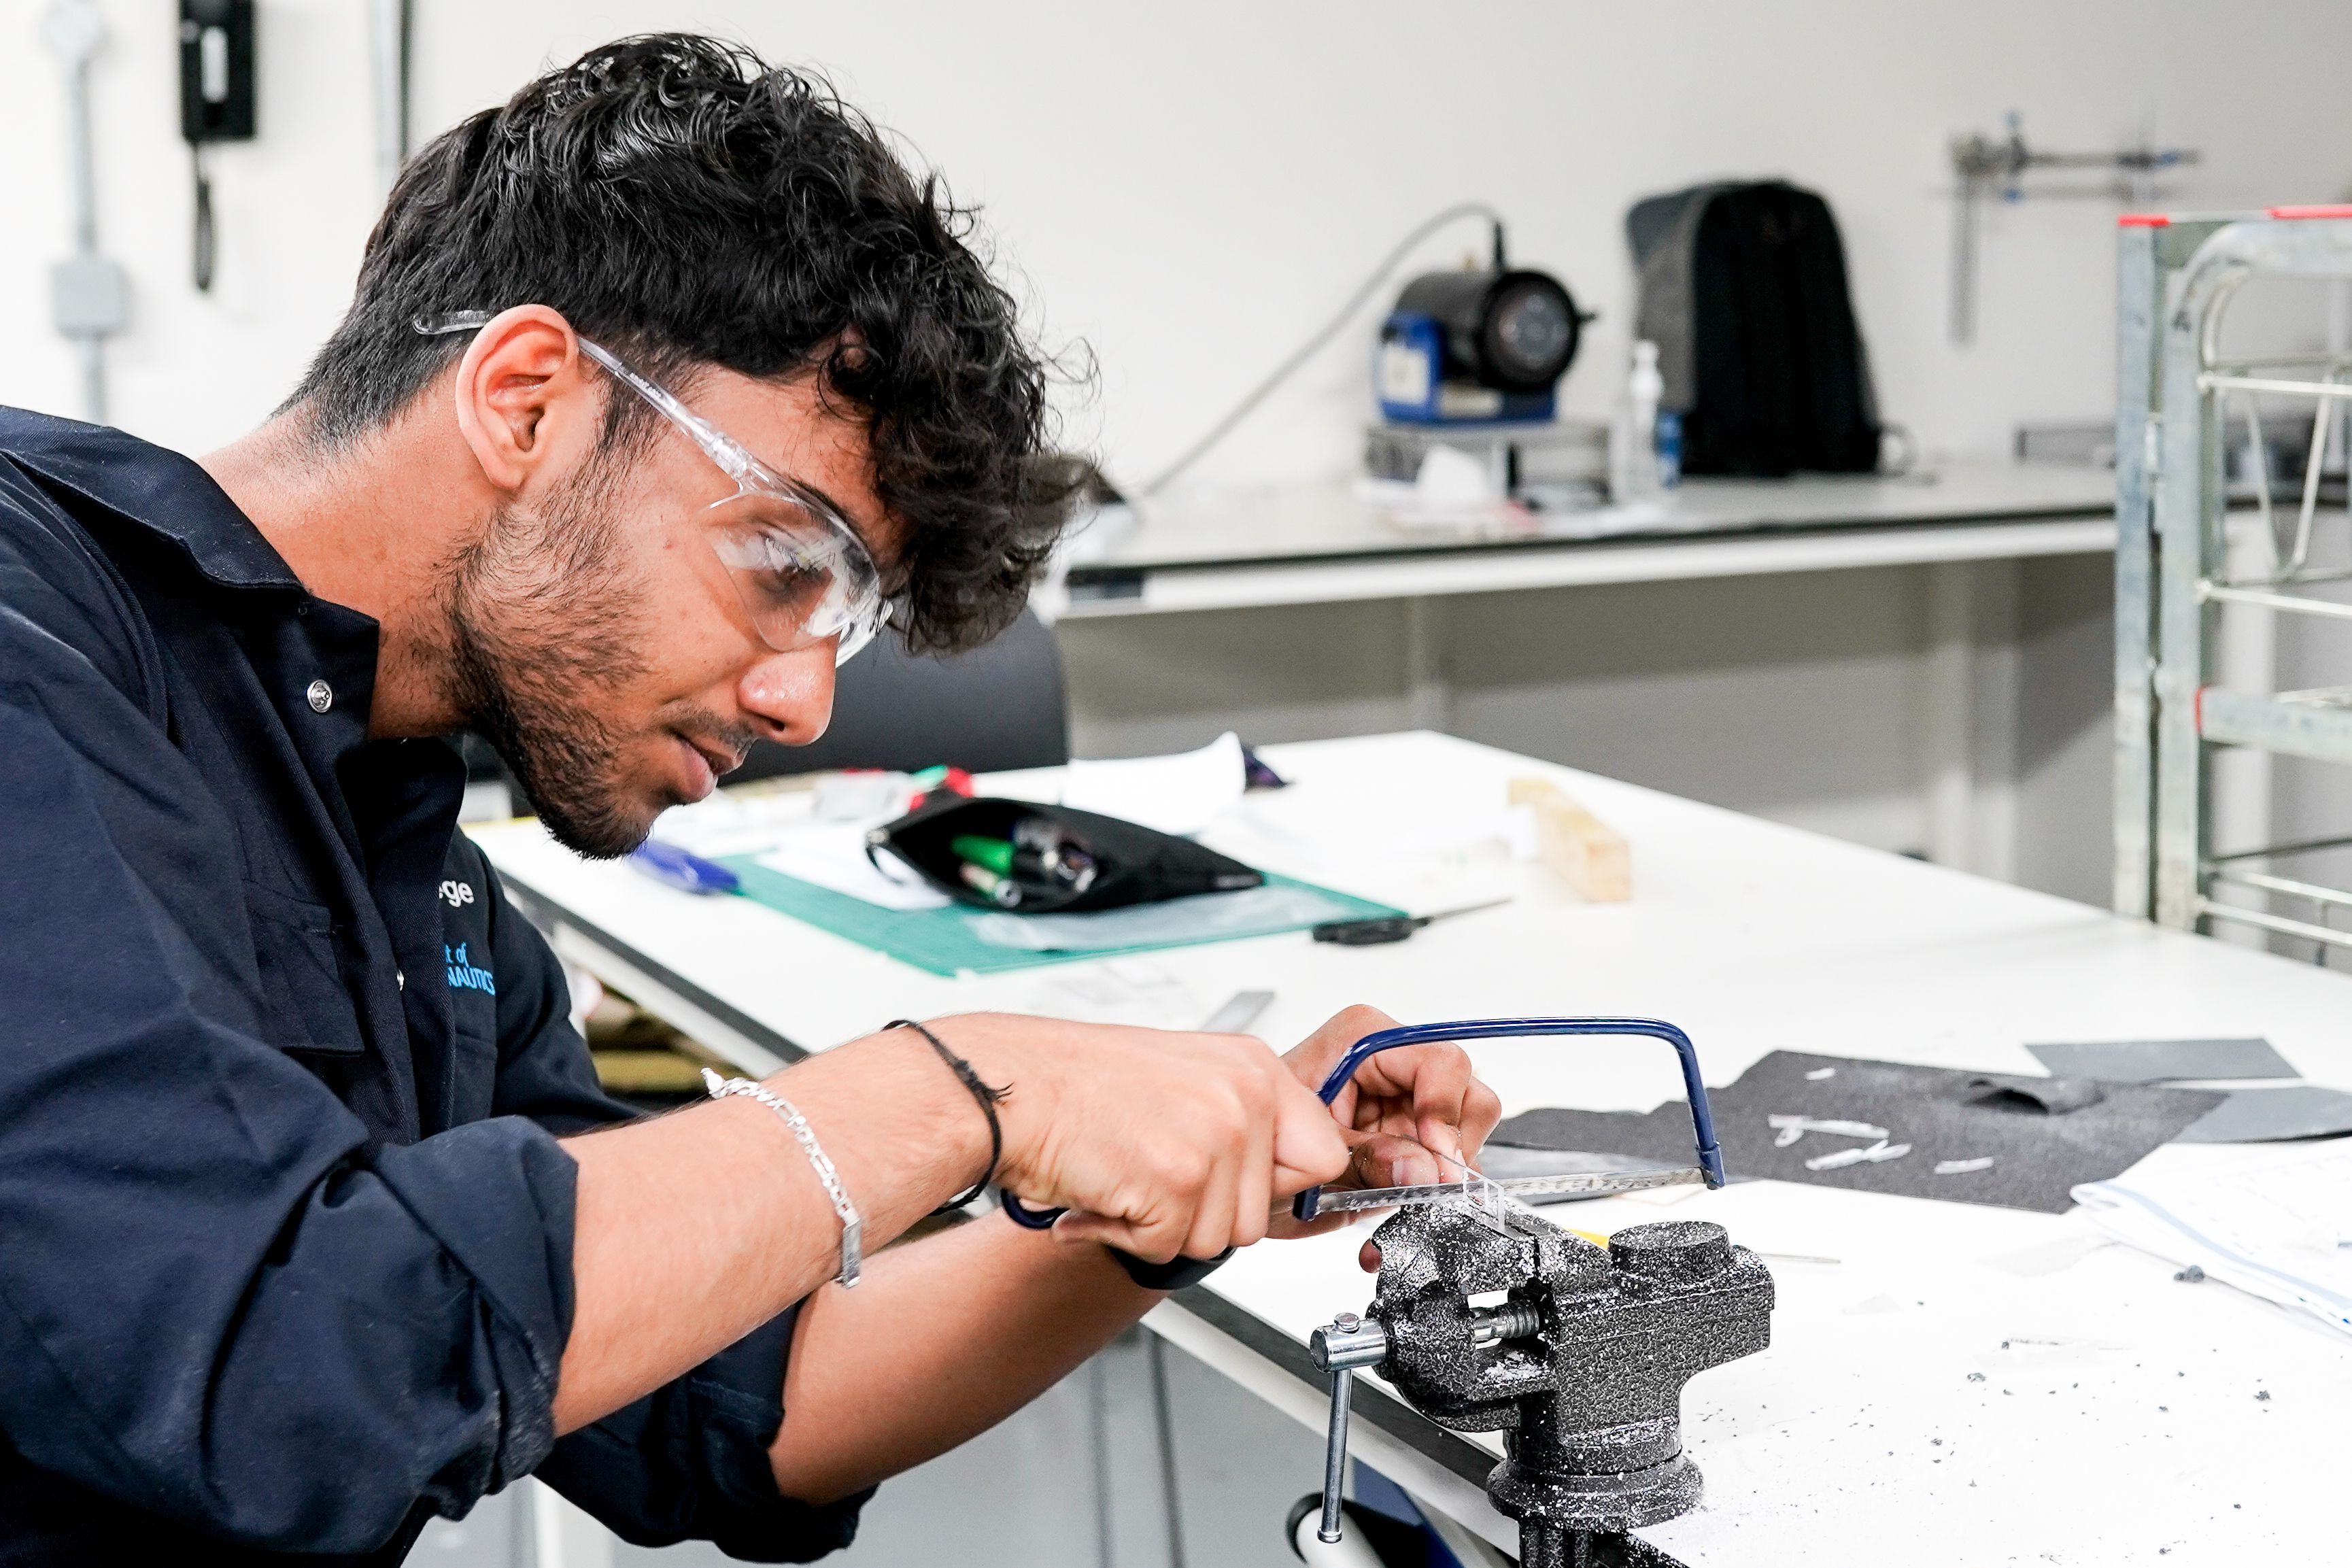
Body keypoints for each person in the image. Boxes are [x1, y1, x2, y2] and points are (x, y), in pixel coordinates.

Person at [0, 34, 1501, 1565]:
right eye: (788, 564)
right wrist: (965, 1088)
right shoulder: (28, 633)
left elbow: (735, 1403)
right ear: (528, 402)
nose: (802, 702)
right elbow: (277, 1362)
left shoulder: (414, 857)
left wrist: (1178, 1192)